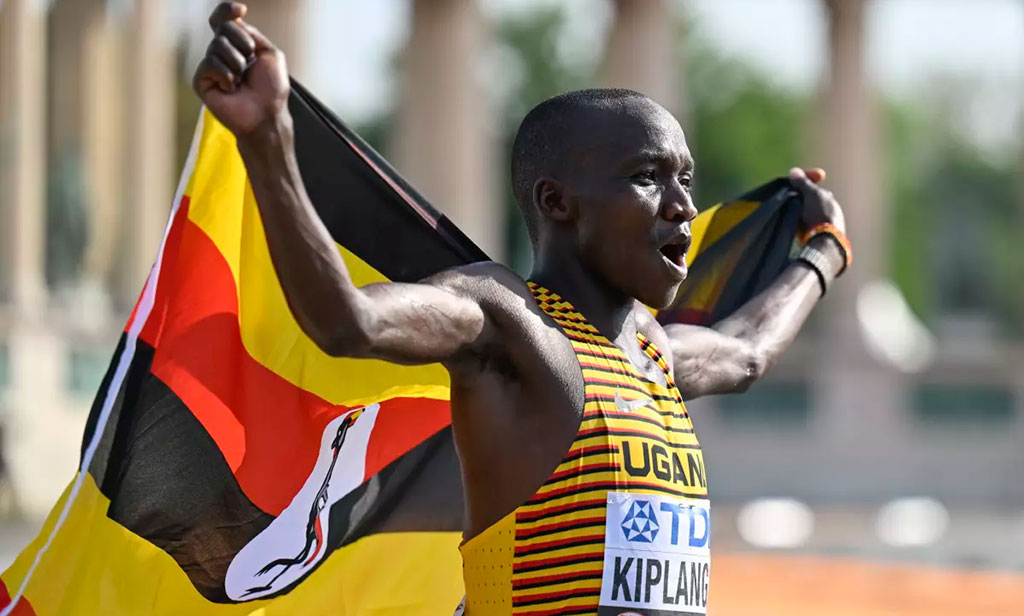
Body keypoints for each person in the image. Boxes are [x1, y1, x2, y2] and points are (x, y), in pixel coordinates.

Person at [193, 3, 850, 614]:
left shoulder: (657, 355)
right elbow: (348, 321)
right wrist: (269, 140)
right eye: (647, 177)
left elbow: (749, 350)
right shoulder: (508, 324)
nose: (681, 204)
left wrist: (823, 253)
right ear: (556, 202)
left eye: (685, 178)